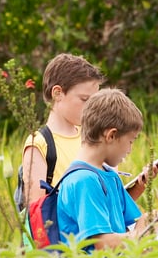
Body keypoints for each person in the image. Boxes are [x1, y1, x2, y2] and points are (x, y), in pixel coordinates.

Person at [55, 88, 147, 250]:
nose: (130, 150)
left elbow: (131, 223)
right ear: (111, 135)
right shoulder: (83, 180)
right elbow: (102, 242)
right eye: (131, 141)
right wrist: (141, 234)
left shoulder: (109, 175)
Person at [20, 53, 103, 207]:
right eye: (85, 99)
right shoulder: (39, 144)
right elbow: (36, 212)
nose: (91, 107)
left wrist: (139, 185)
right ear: (57, 93)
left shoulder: (90, 138)